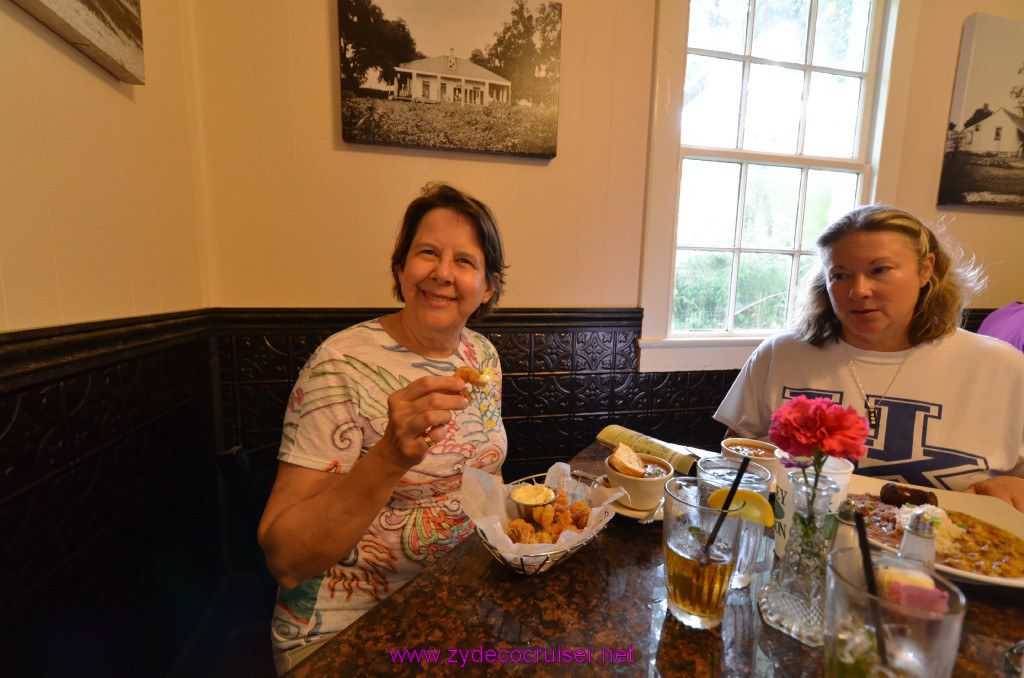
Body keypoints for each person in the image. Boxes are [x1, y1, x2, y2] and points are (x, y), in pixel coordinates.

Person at [257, 182, 509, 673]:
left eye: (464, 261)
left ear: (488, 287)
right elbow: (284, 558)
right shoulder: (339, 366)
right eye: (427, 253)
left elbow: (485, 475)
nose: (441, 272)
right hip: (348, 625)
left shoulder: (483, 356)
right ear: (401, 269)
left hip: (462, 604)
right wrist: (390, 458)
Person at [714, 205, 1024, 511]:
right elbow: (735, 459)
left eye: (880, 270)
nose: (859, 291)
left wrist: (1012, 486)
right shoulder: (779, 355)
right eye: (840, 275)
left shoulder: (1003, 368)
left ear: (925, 269)